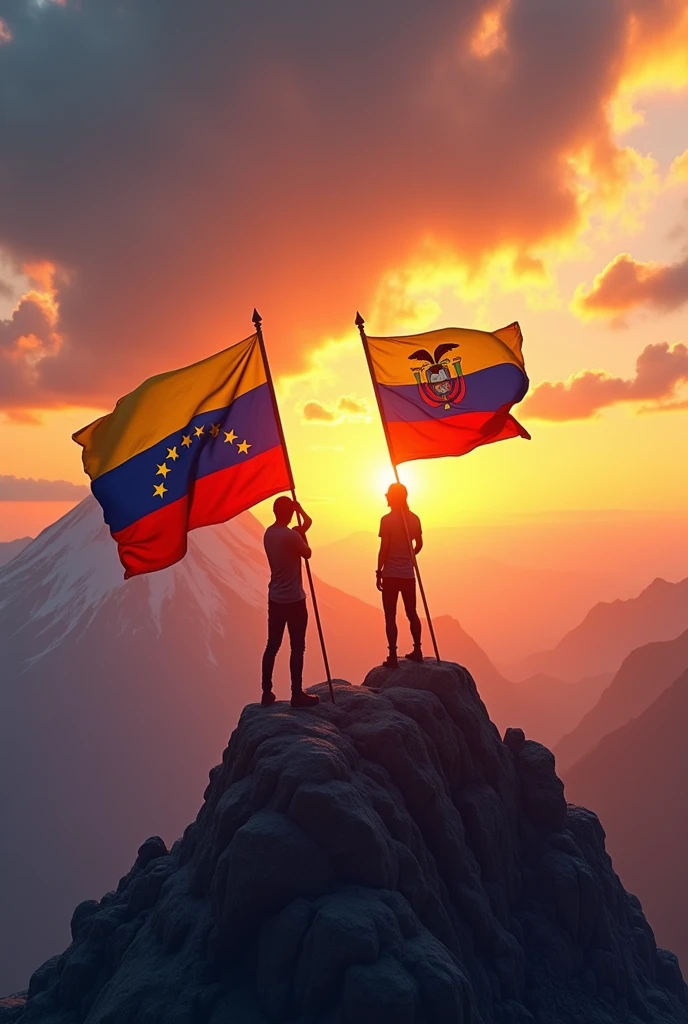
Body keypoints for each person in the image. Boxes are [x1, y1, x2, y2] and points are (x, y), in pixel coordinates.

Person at [261, 495, 320, 708]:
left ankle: (266, 692)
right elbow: (308, 553)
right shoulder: (292, 536)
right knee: (297, 647)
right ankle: (297, 694)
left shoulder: (269, 533)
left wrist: (299, 523)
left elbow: (304, 529)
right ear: (289, 513)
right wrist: (302, 510)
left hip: (275, 599)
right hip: (294, 600)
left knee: (272, 645)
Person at [376, 482, 423, 668]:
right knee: (412, 612)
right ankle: (417, 649)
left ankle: (393, 655)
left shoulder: (386, 520)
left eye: (388, 494)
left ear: (394, 497)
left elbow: (384, 548)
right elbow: (419, 544)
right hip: (408, 574)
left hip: (390, 575)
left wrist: (378, 571)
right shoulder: (414, 519)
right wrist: (410, 556)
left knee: (390, 616)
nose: (386, 497)